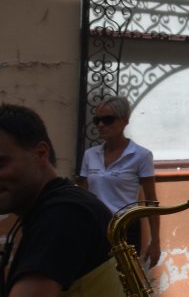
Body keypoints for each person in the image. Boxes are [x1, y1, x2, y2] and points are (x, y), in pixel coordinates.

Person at [0, 103, 123, 295]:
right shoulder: (55, 207)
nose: (101, 126)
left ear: (41, 153)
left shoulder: (65, 214)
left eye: (1, 163)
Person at [78, 95, 160, 266]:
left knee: (124, 281)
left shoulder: (141, 155)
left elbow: (151, 202)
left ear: (124, 121)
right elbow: (83, 194)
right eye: (97, 120)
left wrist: (155, 241)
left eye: (107, 120)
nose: (101, 125)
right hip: (95, 227)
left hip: (125, 228)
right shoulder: (90, 155)